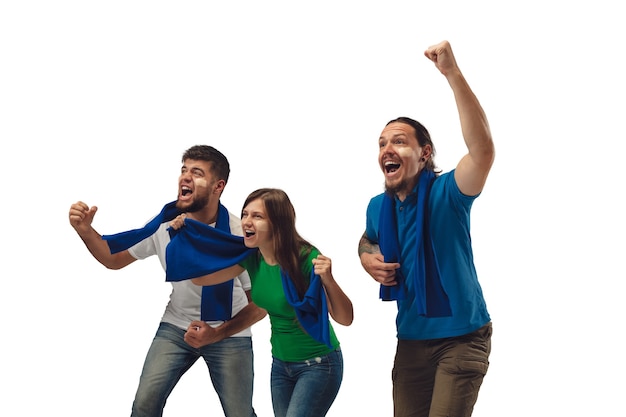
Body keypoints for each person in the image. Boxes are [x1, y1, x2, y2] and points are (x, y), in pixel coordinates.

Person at [68, 144, 267, 417]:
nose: (185, 177)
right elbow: (113, 259)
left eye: (197, 173)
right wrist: (85, 231)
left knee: (240, 413)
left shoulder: (240, 235)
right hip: (177, 326)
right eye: (183, 170)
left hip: (228, 332)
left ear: (218, 186)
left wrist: (218, 333)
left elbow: (262, 303)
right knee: (144, 406)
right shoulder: (164, 224)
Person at [357, 40, 495, 417]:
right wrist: (367, 258)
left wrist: (452, 74)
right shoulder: (378, 206)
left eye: (399, 141)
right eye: (382, 143)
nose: (387, 148)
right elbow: (368, 240)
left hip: (462, 338)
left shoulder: (449, 192)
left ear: (425, 153)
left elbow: (482, 150)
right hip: (411, 340)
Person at [170, 188, 354, 417]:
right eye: (245, 214)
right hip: (281, 366)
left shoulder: (306, 258)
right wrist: (183, 235)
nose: (246, 221)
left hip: (318, 364)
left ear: (278, 223)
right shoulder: (252, 258)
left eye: (257, 216)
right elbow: (201, 277)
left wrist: (328, 279)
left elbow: (345, 318)